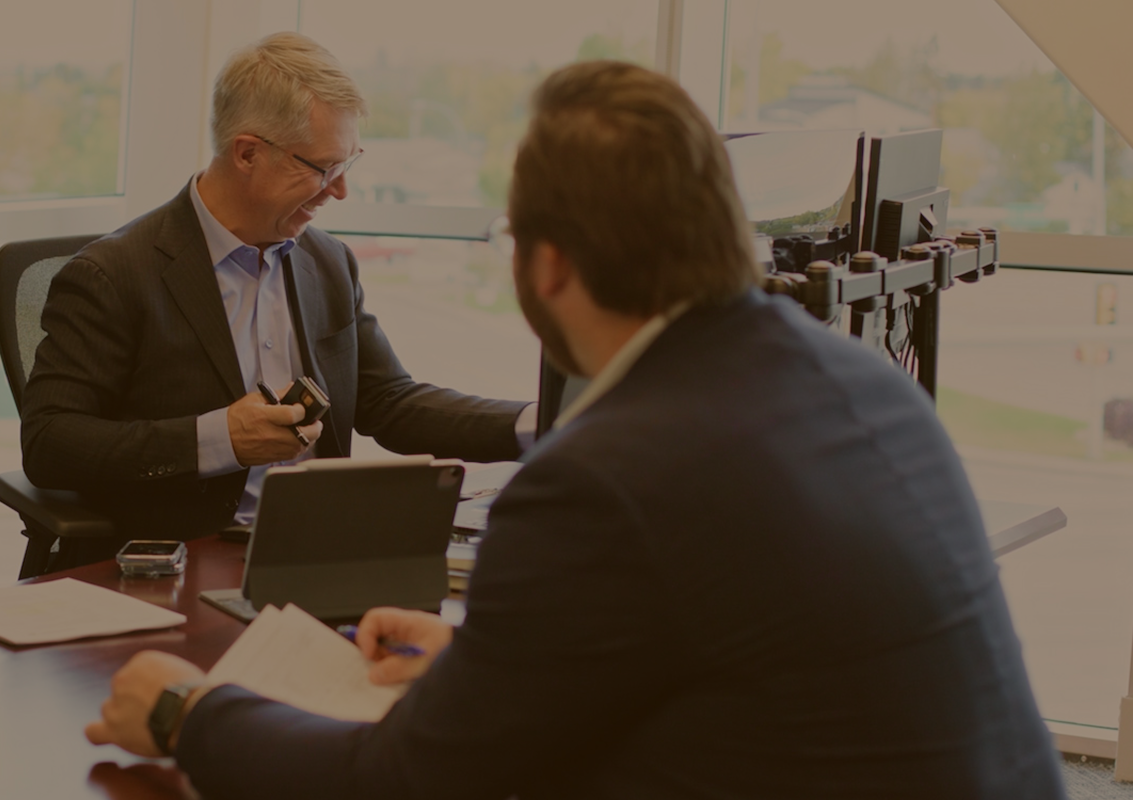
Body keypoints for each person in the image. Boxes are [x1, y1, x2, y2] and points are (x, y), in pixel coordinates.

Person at [83, 60, 1065, 799]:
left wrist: (187, 712)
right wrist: (486, 663)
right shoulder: (867, 381)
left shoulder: (602, 477)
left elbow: (409, 777)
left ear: (547, 265)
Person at [21, 33, 535, 566]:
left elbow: (387, 401)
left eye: (348, 164)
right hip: (182, 563)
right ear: (247, 153)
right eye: (323, 168)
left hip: (319, 555)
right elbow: (50, 443)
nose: (340, 190)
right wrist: (219, 439)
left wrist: (539, 423)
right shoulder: (112, 275)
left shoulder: (327, 262)